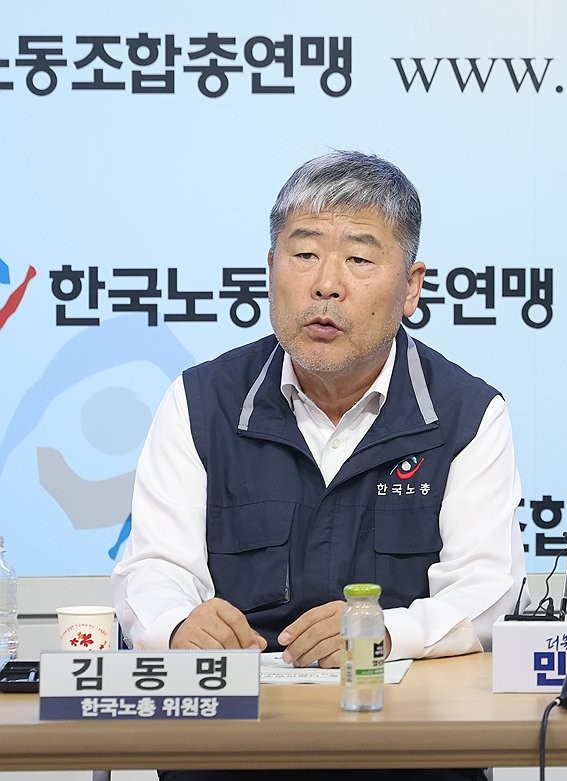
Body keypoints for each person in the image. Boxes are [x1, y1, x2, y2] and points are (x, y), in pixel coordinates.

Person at [112, 151, 526, 781]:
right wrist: (177, 625)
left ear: (411, 287)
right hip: (230, 751)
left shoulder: (467, 413)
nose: (326, 284)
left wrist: (383, 633)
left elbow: (488, 589)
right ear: (270, 269)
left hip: (410, 750)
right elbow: (154, 567)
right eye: (304, 254)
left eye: (359, 260)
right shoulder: (201, 402)